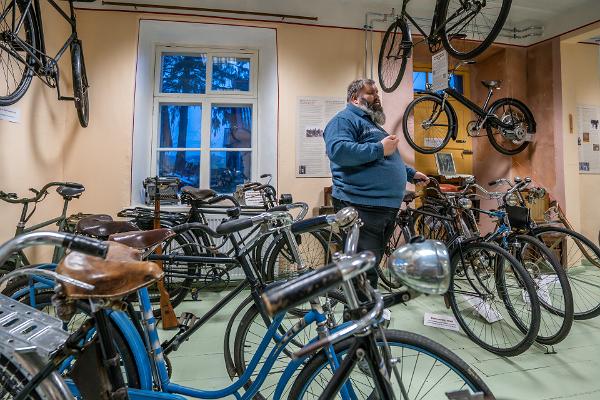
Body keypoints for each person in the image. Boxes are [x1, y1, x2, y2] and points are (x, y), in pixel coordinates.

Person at [324, 78, 429, 292]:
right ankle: (359, 320)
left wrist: (410, 174)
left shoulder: (372, 125)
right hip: (361, 205)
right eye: (371, 93)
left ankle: (366, 314)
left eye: (377, 93)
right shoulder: (344, 120)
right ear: (355, 98)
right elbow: (339, 151)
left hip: (380, 208)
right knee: (362, 273)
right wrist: (379, 149)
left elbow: (388, 159)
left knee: (369, 266)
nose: (377, 97)